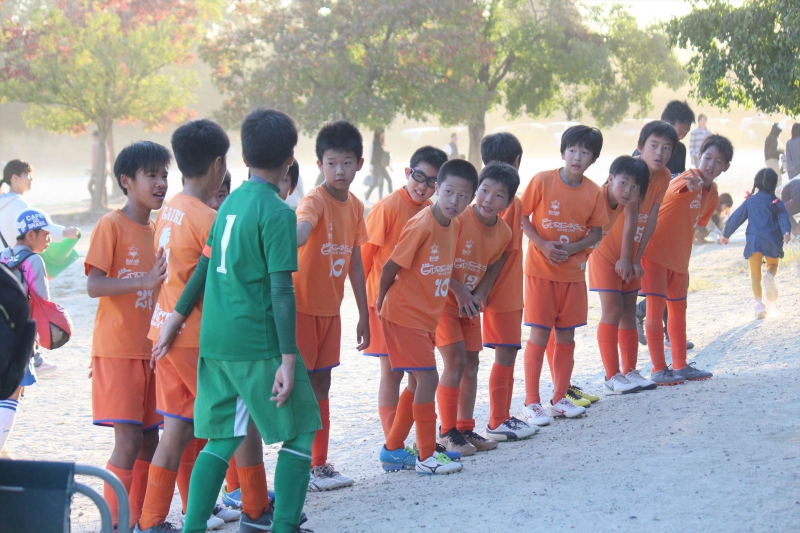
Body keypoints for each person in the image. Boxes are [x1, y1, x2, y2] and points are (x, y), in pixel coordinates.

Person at [155, 108, 320, 533]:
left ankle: (193, 528)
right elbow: (281, 290)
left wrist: (175, 317)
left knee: (223, 437)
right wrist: (287, 359)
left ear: (243, 159)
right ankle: (283, 526)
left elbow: (204, 267)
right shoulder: (278, 212)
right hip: (256, 341)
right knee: (302, 430)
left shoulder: (227, 205)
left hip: (215, 340)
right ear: (290, 158)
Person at [134, 120, 242, 533]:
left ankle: (151, 521)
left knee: (177, 429)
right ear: (218, 165)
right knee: (238, 419)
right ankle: (253, 503)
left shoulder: (169, 209)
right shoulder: (209, 219)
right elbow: (220, 286)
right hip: (196, 337)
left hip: (164, 332)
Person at [85, 141, 171, 530]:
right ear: (126, 181)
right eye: (151, 175)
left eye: (164, 175)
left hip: (151, 350)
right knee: (128, 441)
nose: (160, 183)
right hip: (118, 350)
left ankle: (140, 520)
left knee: (151, 439)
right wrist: (144, 280)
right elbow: (94, 285)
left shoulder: (161, 228)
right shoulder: (111, 225)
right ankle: (116, 523)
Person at [376, 159, 476, 475]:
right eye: (448, 192)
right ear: (437, 189)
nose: (454, 201)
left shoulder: (454, 225)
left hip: (425, 317)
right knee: (429, 378)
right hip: (403, 314)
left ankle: (393, 450)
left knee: (415, 381)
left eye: (463, 196)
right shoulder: (422, 224)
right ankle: (427, 455)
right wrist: (379, 303)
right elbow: (390, 266)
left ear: (471, 199)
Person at [294, 120, 370, 492]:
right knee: (300, 388)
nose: (339, 170)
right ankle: (297, 466)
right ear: (320, 165)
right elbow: (301, 231)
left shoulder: (355, 206)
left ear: (359, 164)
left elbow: (355, 263)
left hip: (331, 311)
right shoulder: (314, 200)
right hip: (301, 310)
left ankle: (318, 464)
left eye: (346, 163)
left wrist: (364, 314)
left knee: (322, 383)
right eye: (331, 163)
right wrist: (285, 237)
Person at [519, 125, 609, 423]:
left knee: (566, 337)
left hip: (573, 275)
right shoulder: (542, 181)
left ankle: (559, 398)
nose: (577, 157)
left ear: (593, 158)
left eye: (585, 152)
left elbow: (596, 232)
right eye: (572, 150)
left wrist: (573, 249)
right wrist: (542, 244)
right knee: (539, 336)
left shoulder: (593, 192)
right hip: (540, 273)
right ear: (562, 153)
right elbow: (522, 216)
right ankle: (531, 402)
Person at [361, 146, 447, 440]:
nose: (423, 186)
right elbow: (364, 258)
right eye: (419, 177)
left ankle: (404, 440)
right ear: (408, 172)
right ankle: (392, 440)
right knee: (392, 372)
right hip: (382, 303)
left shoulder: (432, 212)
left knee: (415, 374)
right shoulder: (387, 207)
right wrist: (365, 306)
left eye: (432, 182)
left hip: (414, 308)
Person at [434, 162, 514, 455]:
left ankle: (465, 428)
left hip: (468, 305)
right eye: (484, 191)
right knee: (455, 362)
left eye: (499, 196)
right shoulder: (457, 218)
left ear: (508, 203)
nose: (488, 200)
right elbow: (436, 258)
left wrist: (480, 293)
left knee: (471, 364)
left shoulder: (504, 232)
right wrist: (459, 291)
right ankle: (447, 432)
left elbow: (496, 262)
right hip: (443, 302)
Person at [641, 134, 733, 384]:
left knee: (678, 312)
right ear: (698, 157)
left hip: (680, 260)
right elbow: (680, 190)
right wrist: (692, 186)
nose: (710, 164)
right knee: (654, 311)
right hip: (655, 254)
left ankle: (680, 365)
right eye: (707, 158)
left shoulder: (712, 193)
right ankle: (658, 369)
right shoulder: (687, 179)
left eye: (718, 161)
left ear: (725, 167)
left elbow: (698, 222)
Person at [478, 133, 538, 441]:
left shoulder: (488, 199)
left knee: (506, 352)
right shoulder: (510, 201)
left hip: (501, 288)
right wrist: (486, 291)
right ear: (518, 162)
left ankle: (499, 416)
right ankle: (498, 419)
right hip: (502, 291)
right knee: (505, 352)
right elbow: (502, 252)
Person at [586, 156, 652, 394]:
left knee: (628, 311)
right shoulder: (597, 196)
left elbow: (631, 222)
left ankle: (630, 370)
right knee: (612, 310)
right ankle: (611, 375)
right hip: (603, 256)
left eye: (634, 187)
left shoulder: (631, 198)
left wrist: (630, 259)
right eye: (624, 183)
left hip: (626, 256)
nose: (628, 190)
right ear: (611, 178)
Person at [0, 208, 60, 458]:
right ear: (31, 234)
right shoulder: (35, 261)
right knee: (14, 391)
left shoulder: (3, 255)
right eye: (45, 234)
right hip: (21, 333)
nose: (49, 239)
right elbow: (42, 302)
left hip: (3, 326)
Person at [721, 168, 791, 319]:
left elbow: (737, 217)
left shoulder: (750, 201)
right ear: (774, 184)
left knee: (755, 275)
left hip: (754, 242)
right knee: (772, 265)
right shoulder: (776, 202)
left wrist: (726, 234)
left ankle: (759, 304)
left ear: (757, 183)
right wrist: (786, 232)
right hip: (772, 240)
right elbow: (784, 217)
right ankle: (769, 275)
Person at [364, 130, 393, 202]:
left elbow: (382, 156)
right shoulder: (375, 143)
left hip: (382, 166)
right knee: (376, 182)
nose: (383, 135)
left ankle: (392, 197)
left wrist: (389, 165)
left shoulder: (380, 143)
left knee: (389, 180)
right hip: (376, 166)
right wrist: (371, 168)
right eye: (382, 134)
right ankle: (367, 196)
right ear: (379, 134)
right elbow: (374, 155)